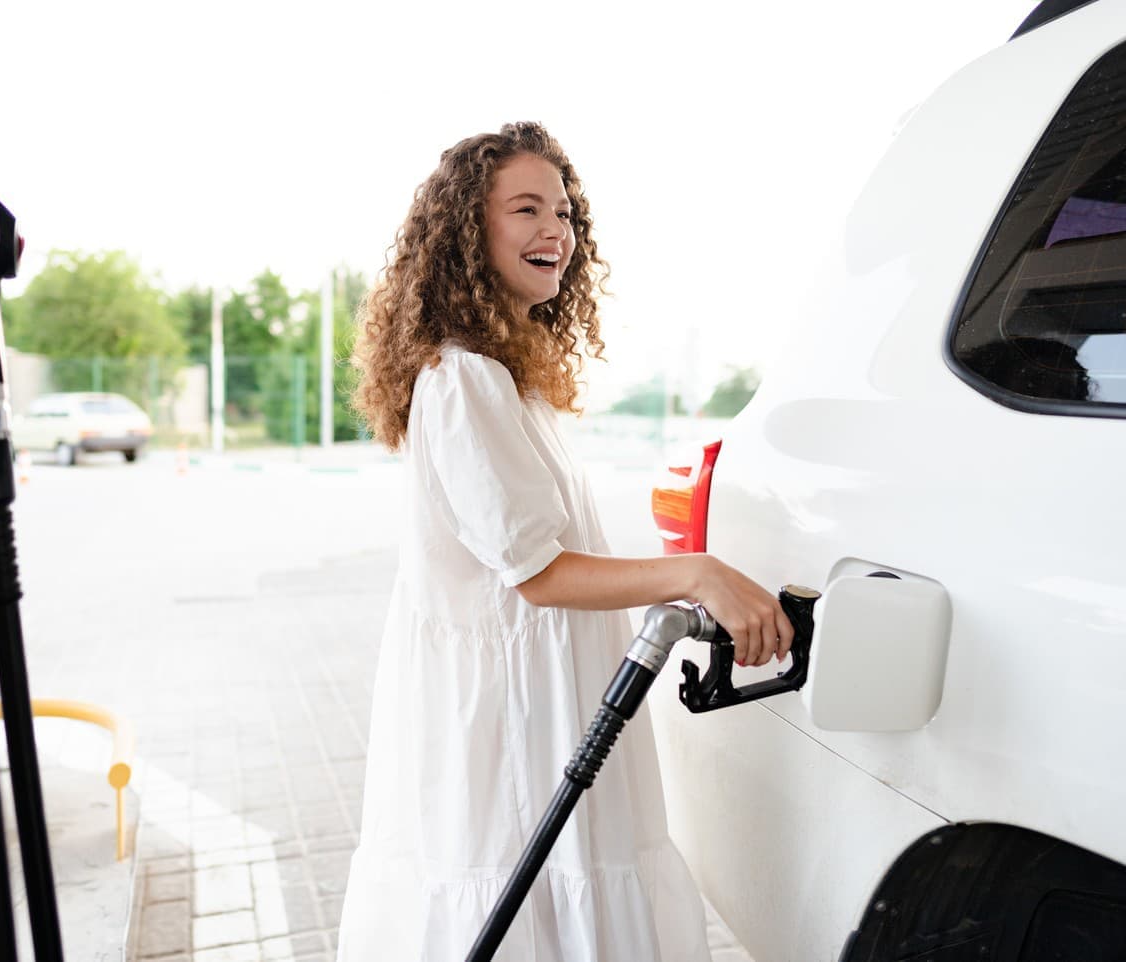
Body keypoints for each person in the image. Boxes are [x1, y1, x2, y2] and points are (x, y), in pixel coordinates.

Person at [336, 121, 793, 962]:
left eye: (564, 210)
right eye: (526, 209)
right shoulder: (463, 378)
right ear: (468, 231)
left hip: (546, 693)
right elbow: (537, 573)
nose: (556, 230)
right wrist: (697, 573)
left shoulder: (506, 378)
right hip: (513, 716)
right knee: (526, 899)